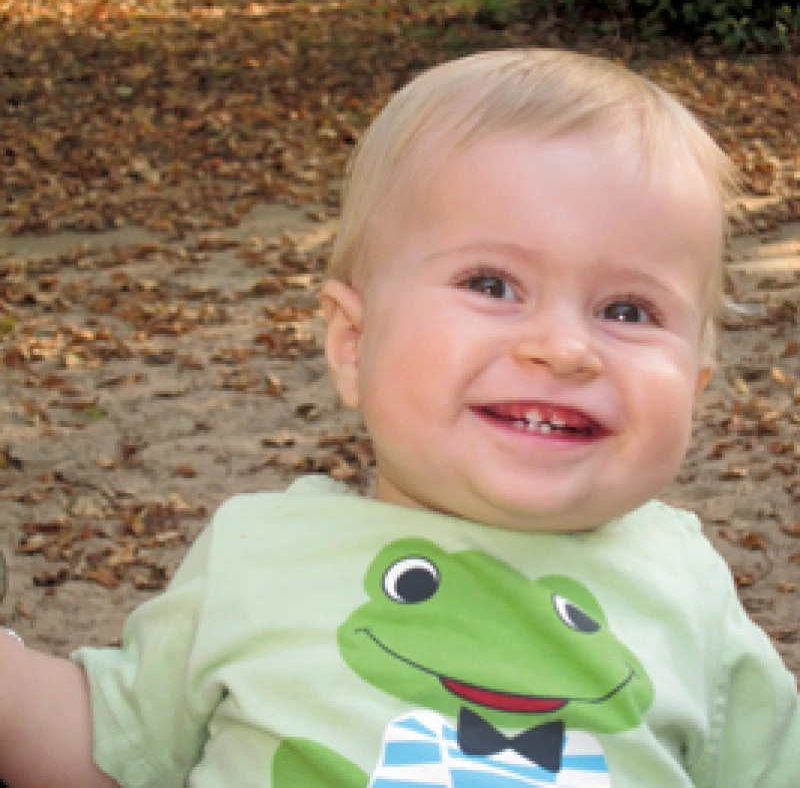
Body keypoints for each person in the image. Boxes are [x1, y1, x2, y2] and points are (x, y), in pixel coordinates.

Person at [0, 48, 797, 788]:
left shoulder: (688, 593)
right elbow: (113, 748)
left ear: (694, 386)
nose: (563, 348)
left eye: (627, 308)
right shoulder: (260, 553)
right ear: (353, 344)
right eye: (492, 285)